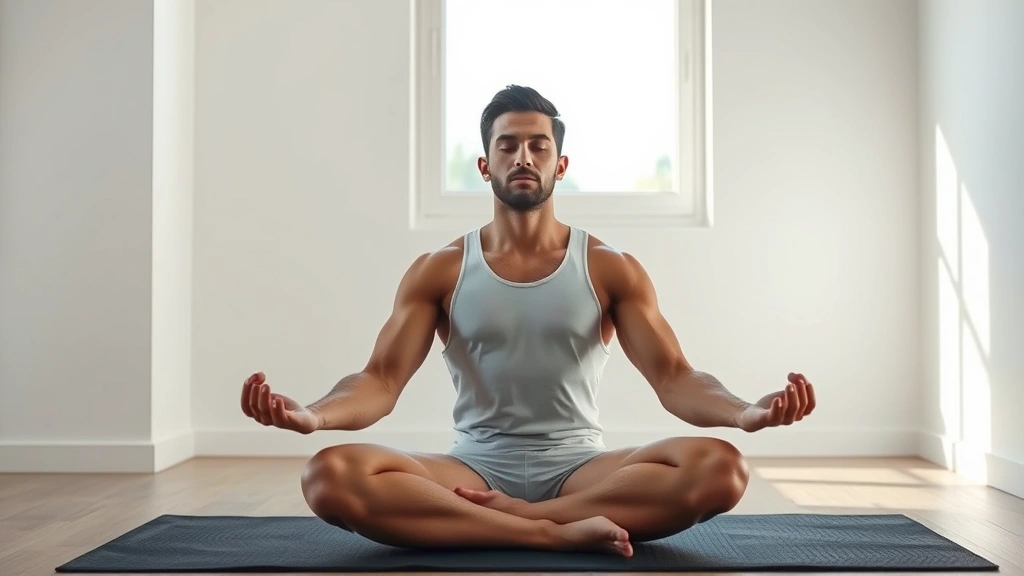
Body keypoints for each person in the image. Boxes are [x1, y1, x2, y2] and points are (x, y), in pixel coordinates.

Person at [239, 85, 816, 557]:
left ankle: (523, 519)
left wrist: (746, 412)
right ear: (485, 163)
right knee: (328, 476)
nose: (523, 157)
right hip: (470, 467)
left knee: (721, 469)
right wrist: (313, 416)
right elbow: (380, 381)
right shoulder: (438, 270)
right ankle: (551, 532)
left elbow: (675, 378)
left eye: (538, 146)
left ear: (560, 165)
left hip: (585, 470)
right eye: (508, 145)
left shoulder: (610, 268)